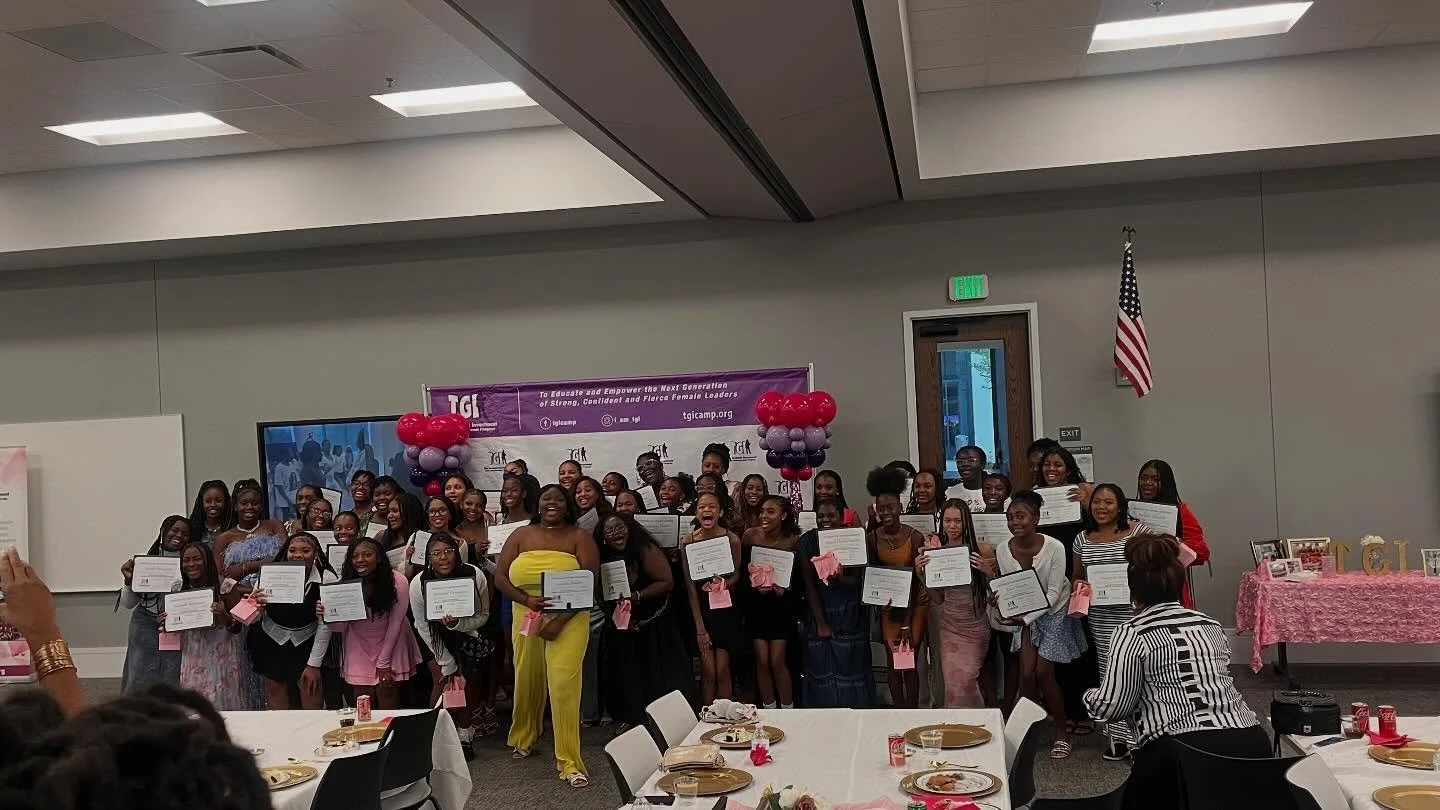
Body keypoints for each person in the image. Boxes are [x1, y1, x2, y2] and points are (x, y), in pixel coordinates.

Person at [1084, 535, 1266, 810]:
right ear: (1179, 585)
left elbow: (1113, 707)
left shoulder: (1131, 632)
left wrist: (1088, 697)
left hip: (1179, 752)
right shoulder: (1210, 624)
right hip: (1250, 742)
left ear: (1133, 591)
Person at [494, 484, 598, 787]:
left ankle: (570, 761)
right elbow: (500, 577)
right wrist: (526, 600)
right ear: (537, 505)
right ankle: (524, 735)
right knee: (527, 677)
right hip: (526, 614)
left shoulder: (580, 537)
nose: (552, 504)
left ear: (568, 505)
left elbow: (589, 583)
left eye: (558, 500)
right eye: (546, 499)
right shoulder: (520, 535)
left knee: (563, 685)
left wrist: (559, 621)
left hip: (570, 618)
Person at [993, 491, 1087, 759]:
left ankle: (1062, 732)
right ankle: (1029, 732)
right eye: (1010, 517)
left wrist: (1025, 618)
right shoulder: (1002, 549)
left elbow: (1055, 592)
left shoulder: (1055, 547)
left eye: (1020, 516)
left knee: (1043, 672)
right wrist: (999, 602)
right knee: (1025, 674)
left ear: (1035, 518)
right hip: (1026, 613)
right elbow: (1011, 588)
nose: (1014, 522)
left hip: (1055, 611)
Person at [1070, 483, 1151, 760]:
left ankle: (1144, 736)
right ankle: (1118, 739)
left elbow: (1153, 568)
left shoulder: (1138, 532)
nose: (1101, 507)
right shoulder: (1082, 539)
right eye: (1097, 502)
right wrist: (1080, 586)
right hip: (1101, 618)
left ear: (1120, 507)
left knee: (1141, 672)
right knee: (1110, 674)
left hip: (1135, 615)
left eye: (1108, 502)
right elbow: (1077, 576)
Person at [596, 512, 691, 734]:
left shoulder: (645, 549)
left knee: (658, 674)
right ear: (603, 538)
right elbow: (600, 592)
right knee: (626, 674)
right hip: (622, 624)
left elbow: (666, 582)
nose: (616, 533)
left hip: (653, 622)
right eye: (609, 530)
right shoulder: (602, 556)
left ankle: (667, 722)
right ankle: (633, 719)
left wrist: (637, 595)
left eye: (620, 527)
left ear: (630, 528)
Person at [409, 533, 492, 757]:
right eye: (436, 553)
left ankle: (465, 735)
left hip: (466, 633)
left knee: (466, 686)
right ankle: (432, 738)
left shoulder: (474, 575)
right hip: (432, 636)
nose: (443, 557)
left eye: (448, 551)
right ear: (428, 558)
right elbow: (421, 625)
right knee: (442, 680)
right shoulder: (418, 583)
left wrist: (457, 624)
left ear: (457, 553)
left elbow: (483, 616)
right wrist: (446, 661)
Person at [316, 538, 421, 709]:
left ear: (379, 558)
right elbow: (340, 628)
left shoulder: (398, 581)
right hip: (358, 644)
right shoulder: (344, 583)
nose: (360, 560)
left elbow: (396, 622)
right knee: (363, 703)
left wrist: (384, 662)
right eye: (355, 556)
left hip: (391, 641)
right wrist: (326, 616)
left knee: (387, 696)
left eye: (367, 555)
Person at [915, 499, 997, 708]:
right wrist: (921, 574)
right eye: (947, 520)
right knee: (953, 684)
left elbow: (996, 593)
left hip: (975, 627)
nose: (952, 526)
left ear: (966, 522)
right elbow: (938, 599)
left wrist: (988, 571)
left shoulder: (982, 550)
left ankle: (978, 723)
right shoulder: (936, 554)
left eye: (957, 521)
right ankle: (956, 723)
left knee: (967, 682)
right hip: (950, 627)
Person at [211, 482, 285, 710]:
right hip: (240, 602)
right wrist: (244, 591)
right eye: (244, 503)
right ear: (235, 506)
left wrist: (245, 567)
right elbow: (219, 576)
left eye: (254, 503)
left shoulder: (274, 526)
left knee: (275, 664)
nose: (249, 507)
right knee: (247, 663)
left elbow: (284, 559)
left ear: (261, 506)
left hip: (273, 600)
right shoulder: (225, 537)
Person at [247, 532, 336, 709]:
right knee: (276, 694)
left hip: (308, 642)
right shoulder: (270, 574)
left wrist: (314, 664)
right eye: (292, 550)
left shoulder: (327, 578)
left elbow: (326, 625)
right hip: (272, 640)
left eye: (305, 550)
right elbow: (253, 618)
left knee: (311, 692)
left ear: (316, 553)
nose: (298, 555)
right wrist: (257, 607)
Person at [799, 498, 873, 708]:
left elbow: (859, 580)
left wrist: (840, 579)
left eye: (831, 515)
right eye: (821, 516)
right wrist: (821, 623)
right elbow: (809, 585)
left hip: (851, 613)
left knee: (852, 667)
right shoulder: (807, 541)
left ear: (842, 517)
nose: (826, 520)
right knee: (822, 669)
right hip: (819, 611)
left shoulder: (854, 537)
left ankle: (857, 716)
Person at [866, 466, 929, 709]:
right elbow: (872, 575)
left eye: (890, 507)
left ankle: (912, 712)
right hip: (889, 607)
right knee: (893, 662)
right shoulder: (872, 538)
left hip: (914, 606)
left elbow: (914, 580)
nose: (886, 512)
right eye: (881, 508)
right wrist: (878, 601)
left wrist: (905, 623)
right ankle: (897, 712)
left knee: (909, 661)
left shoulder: (914, 537)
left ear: (900, 507)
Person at [165, 541, 249, 711]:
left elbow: (237, 628)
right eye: (186, 560)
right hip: (193, 654)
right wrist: (165, 622)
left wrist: (223, 615)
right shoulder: (178, 587)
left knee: (221, 702)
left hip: (221, 654)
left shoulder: (226, 585)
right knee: (194, 702)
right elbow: (176, 626)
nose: (191, 564)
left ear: (207, 560)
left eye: (197, 559)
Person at [682, 490, 743, 705]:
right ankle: (706, 717)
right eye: (702, 507)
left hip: (725, 610)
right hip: (701, 610)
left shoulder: (732, 539)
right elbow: (690, 587)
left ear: (720, 512)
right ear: (696, 513)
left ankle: (724, 717)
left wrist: (725, 583)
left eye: (712, 506)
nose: (706, 510)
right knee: (708, 672)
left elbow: (736, 574)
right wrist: (700, 628)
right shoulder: (688, 541)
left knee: (723, 671)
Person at [117, 515, 189, 693]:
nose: (179, 535)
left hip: (176, 624)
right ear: (163, 531)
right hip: (144, 622)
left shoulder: (191, 563)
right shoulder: (145, 563)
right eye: (174, 530)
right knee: (139, 674)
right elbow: (128, 604)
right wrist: (128, 582)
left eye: (184, 533)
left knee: (172, 674)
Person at [742, 494, 800, 709]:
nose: (764, 516)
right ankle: (769, 709)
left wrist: (785, 591)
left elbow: (798, 579)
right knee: (762, 659)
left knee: (777, 660)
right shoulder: (750, 536)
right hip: (756, 605)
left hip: (781, 606)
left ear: (783, 516)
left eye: (771, 511)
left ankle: (788, 709)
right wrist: (755, 586)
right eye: (762, 511)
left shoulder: (793, 540)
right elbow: (742, 571)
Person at [1136, 460, 1210, 608]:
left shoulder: (1181, 512)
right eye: (1143, 478)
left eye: (1155, 479)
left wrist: (1171, 544)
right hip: (1137, 585)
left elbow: (1201, 552)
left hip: (1170, 587)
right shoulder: (1131, 511)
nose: (1147, 483)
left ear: (1166, 483)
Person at [187, 480, 232, 547]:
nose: (213, 504)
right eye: (208, 501)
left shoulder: (232, 526)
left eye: (218, 501)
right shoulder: (193, 528)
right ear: (201, 502)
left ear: (226, 502)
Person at [944, 446, 988, 511]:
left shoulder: (993, 492)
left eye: (971, 461)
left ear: (982, 464)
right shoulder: (950, 493)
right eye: (960, 461)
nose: (965, 464)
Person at [455, 489, 491, 557]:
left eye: (479, 505)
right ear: (461, 505)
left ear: (484, 508)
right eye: (469, 504)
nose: (473, 508)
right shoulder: (455, 532)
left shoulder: (491, 529)